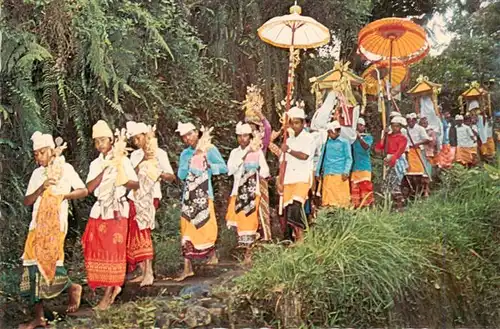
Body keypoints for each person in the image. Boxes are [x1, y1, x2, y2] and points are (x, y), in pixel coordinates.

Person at [19, 132, 88, 329]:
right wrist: (41, 188)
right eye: (35, 154)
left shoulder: (65, 168)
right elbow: (27, 201)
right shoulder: (36, 174)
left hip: (55, 225)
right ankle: (39, 318)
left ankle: (71, 288)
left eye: (41, 152)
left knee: (50, 263)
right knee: (32, 266)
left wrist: (64, 196)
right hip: (36, 225)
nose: (38, 157)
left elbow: (83, 190)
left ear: (51, 150)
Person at [82, 120, 139, 310]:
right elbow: (89, 188)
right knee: (92, 245)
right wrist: (105, 170)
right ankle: (112, 286)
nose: (100, 145)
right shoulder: (95, 164)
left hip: (116, 211)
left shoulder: (122, 159)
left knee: (112, 251)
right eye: (97, 141)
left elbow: (134, 184)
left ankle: (108, 294)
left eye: (103, 140)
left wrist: (119, 173)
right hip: (99, 210)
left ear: (111, 140)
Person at [175, 122, 228, 281]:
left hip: (205, 193)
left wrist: (208, 163)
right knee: (187, 228)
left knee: (206, 224)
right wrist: (192, 158)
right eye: (184, 136)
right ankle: (187, 267)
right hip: (189, 195)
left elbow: (224, 167)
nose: (187, 139)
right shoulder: (185, 154)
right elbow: (181, 175)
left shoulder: (209, 148)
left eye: (189, 134)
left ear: (197, 133)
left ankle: (212, 254)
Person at [126, 121, 175, 287]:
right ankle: (141, 270)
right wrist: (143, 162)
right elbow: (129, 177)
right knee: (134, 232)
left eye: (138, 138)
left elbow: (171, 176)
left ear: (146, 136)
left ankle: (149, 272)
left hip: (151, 196)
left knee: (143, 230)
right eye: (133, 139)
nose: (136, 142)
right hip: (134, 197)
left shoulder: (159, 153)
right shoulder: (134, 155)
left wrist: (158, 172)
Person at [226, 122, 270, 264]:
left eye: (245, 136)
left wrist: (256, 168)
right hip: (237, 192)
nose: (242, 139)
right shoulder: (235, 153)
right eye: (239, 136)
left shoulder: (257, 152)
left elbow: (265, 171)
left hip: (252, 191)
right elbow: (230, 170)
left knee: (250, 222)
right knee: (237, 221)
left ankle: (248, 254)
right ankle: (242, 250)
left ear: (250, 137)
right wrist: (245, 154)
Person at [279, 107, 314, 242]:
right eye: (292, 123)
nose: (294, 126)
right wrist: (280, 181)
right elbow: (283, 163)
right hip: (289, 179)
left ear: (303, 123)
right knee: (289, 210)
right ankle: (294, 237)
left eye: (297, 123)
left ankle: (301, 238)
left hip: (302, 177)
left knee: (296, 207)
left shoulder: (308, 138)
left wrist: (289, 150)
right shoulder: (288, 140)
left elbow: (304, 156)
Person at [245, 109, 273, 241]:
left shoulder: (261, 139)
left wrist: (260, 115)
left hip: (260, 176)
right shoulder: (244, 140)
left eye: (252, 125)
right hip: (246, 177)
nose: (249, 128)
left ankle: (265, 235)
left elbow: (267, 128)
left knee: (261, 206)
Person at [315, 121, 353, 208]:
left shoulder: (345, 142)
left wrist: (346, 172)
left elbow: (349, 158)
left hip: (340, 175)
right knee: (328, 202)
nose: (331, 134)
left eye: (332, 132)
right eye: (329, 132)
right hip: (328, 174)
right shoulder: (327, 143)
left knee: (341, 202)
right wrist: (317, 172)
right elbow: (322, 158)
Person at [375, 116, 408, 211]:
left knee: (396, 184)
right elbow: (379, 147)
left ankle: (400, 206)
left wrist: (391, 159)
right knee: (387, 185)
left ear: (400, 127)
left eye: (397, 126)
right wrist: (384, 136)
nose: (395, 128)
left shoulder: (402, 138)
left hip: (396, 162)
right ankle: (390, 206)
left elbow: (399, 151)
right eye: (393, 126)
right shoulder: (388, 136)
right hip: (387, 161)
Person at [405, 113, 431, 197]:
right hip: (409, 152)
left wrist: (417, 144)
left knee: (421, 173)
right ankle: (413, 192)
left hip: (418, 151)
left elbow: (427, 139)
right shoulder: (406, 130)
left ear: (415, 121)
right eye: (408, 121)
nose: (410, 123)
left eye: (412, 121)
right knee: (410, 173)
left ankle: (424, 190)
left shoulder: (420, 129)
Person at [350, 118, 374, 208]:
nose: (358, 127)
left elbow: (366, 147)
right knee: (355, 192)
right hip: (355, 168)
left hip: (365, 168)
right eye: (357, 125)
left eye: (360, 125)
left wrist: (359, 137)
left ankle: (367, 209)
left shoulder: (368, 137)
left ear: (364, 127)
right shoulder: (352, 139)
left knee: (366, 190)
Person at [419, 116, 437, 197]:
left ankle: (427, 189)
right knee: (421, 172)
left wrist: (425, 141)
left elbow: (433, 142)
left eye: (425, 123)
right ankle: (423, 190)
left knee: (427, 172)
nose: (424, 124)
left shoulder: (431, 132)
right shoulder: (418, 131)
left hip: (428, 153)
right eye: (422, 123)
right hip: (420, 153)